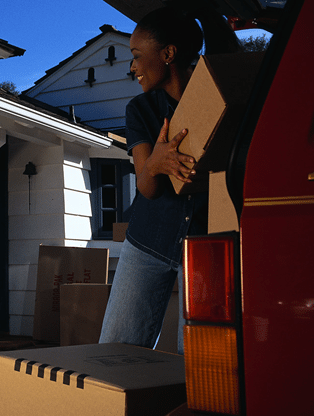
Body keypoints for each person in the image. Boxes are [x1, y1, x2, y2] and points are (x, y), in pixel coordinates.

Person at [99, 7, 210, 353]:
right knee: (116, 351)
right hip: (147, 243)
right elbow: (147, 188)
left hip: (204, 248)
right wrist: (156, 164)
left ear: (168, 54)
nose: (132, 67)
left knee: (194, 359)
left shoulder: (213, 99)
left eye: (136, 56)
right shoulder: (141, 110)